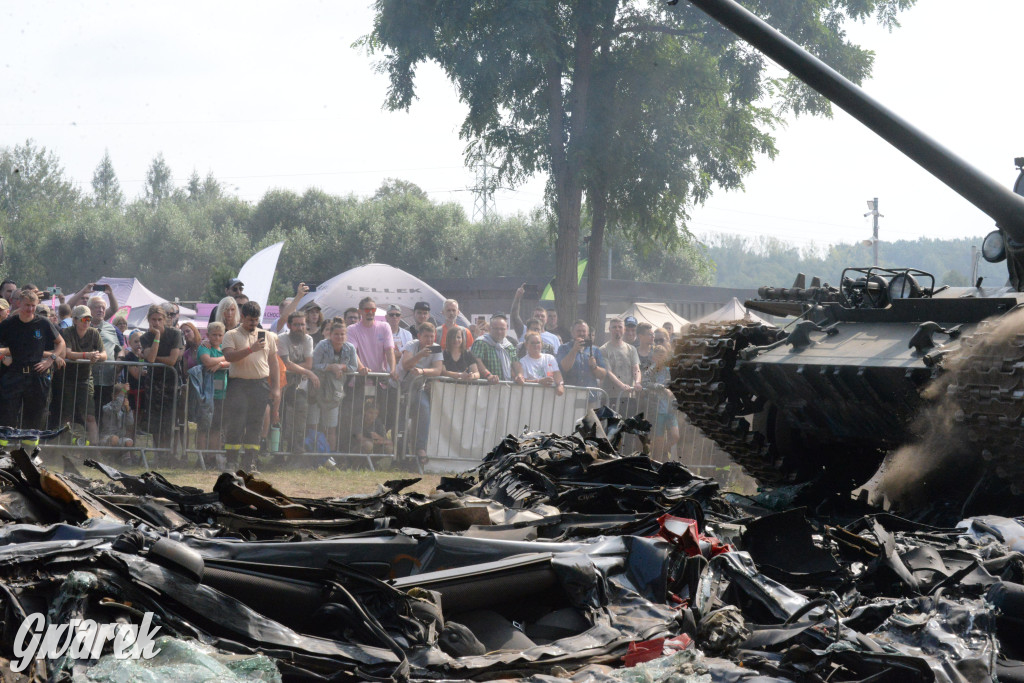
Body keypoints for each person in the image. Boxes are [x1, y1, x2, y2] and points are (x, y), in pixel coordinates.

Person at [221, 301, 280, 470]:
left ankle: (250, 462)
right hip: (238, 385)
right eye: (250, 320)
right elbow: (229, 357)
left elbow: (273, 363)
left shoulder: (266, 335)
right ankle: (231, 461)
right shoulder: (231, 335)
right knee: (236, 423)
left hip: (260, 385)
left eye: (256, 320)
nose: (254, 324)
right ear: (243, 317)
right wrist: (250, 349)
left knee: (256, 424)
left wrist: (276, 388)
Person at [0, 289, 65, 430]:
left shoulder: (43, 323)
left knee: (34, 418)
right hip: (14, 374)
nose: (30, 309)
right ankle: (5, 449)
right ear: (19, 304)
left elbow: (61, 343)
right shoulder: (8, 324)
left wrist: (51, 359)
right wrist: (3, 356)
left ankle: (28, 450)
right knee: (7, 416)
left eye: (33, 305)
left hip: (36, 375)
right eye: (27, 305)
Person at [345, 296, 398, 439]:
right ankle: (355, 450)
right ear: (360, 311)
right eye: (367, 309)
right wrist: (361, 367)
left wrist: (392, 369)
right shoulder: (352, 329)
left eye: (372, 309)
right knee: (357, 415)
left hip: (379, 380)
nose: (370, 312)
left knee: (381, 415)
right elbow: (352, 352)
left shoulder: (384, 326)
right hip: (359, 381)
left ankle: (378, 449)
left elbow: (389, 350)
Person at [54, 305, 106, 444]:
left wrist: (96, 356)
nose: (87, 322)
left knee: (90, 416)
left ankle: (94, 450)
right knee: (66, 416)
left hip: (85, 378)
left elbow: (104, 354)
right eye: (83, 319)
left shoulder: (94, 333)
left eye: (89, 318)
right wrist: (87, 355)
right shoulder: (67, 332)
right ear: (75, 320)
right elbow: (68, 353)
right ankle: (62, 447)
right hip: (68, 379)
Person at [311, 321, 364, 451]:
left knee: (331, 427)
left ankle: (330, 456)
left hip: (335, 391)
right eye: (336, 334)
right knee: (314, 425)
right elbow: (313, 364)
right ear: (330, 334)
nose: (339, 337)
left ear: (346, 335)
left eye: (342, 334)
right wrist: (330, 367)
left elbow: (353, 367)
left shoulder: (349, 347)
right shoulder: (322, 345)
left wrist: (341, 366)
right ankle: (312, 456)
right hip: (317, 388)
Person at [139, 304, 184, 451]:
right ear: (149, 320)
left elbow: (172, 360)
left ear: (164, 319)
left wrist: (154, 357)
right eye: (153, 320)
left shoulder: (175, 334)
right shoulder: (146, 337)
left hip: (171, 383)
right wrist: (157, 336)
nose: (156, 323)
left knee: (169, 421)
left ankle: (169, 452)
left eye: (159, 319)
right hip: (153, 383)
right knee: (155, 422)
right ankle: (159, 452)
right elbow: (151, 360)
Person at [398, 321, 443, 466]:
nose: (429, 340)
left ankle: (420, 448)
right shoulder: (412, 345)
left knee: (424, 409)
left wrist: (422, 371)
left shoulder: (436, 348)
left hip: (418, 387)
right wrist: (420, 355)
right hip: (400, 386)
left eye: (432, 336)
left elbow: (438, 370)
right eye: (426, 337)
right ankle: (399, 453)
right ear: (419, 336)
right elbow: (406, 364)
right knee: (400, 419)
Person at [278, 311, 319, 456]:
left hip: (299, 387)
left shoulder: (308, 339)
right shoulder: (281, 339)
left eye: (302, 324)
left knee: (301, 417)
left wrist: (301, 369)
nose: (300, 327)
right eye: (296, 325)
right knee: (281, 418)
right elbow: (285, 364)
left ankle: (296, 453)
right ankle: (278, 454)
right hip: (281, 385)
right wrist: (307, 372)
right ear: (289, 325)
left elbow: (309, 363)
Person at [88, 294, 122, 428]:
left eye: (103, 307)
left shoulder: (112, 328)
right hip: (87, 378)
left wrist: (120, 359)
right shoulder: (81, 326)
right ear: (89, 309)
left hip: (107, 380)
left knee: (104, 414)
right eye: (97, 307)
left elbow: (120, 348)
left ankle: (103, 443)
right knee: (89, 414)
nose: (101, 310)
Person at [196, 322, 230, 451]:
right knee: (204, 427)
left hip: (221, 394)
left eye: (220, 335)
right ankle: (201, 457)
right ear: (208, 335)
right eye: (214, 335)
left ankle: (212, 456)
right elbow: (207, 361)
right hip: (205, 393)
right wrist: (225, 359)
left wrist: (221, 364)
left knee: (216, 427)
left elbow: (233, 360)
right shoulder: (205, 347)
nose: (216, 338)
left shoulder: (224, 348)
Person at [556, 320, 607, 399]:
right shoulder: (563, 348)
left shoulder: (595, 350)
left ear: (587, 333)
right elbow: (564, 368)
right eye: (578, 331)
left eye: (584, 331)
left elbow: (603, 375)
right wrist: (574, 350)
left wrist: (595, 367)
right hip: (569, 396)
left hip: (590, 397)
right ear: (572, 333)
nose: (581, 333)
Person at [600, 318, 641, 413]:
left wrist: (637, 382)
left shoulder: (631, 349)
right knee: (612, 427)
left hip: (629, 397)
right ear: (609, 329)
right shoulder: (603, 350)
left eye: (620, 327)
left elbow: (636, 368)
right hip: (611, 396)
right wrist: (622, 386)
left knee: (628, 426)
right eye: (614, 327)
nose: (617, 329)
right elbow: (608, 372)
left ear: (624, 329)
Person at [649, 345, 680, 461]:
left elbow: (675, 384)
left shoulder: (669, 371)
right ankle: (657, 462)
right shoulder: (651, 371)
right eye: (658, 356)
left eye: (663, 356)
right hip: (657, 410)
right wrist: (662, 388)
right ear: (653, 357)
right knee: (659, 439)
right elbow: (646, 384)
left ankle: (660, 451)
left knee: (675, 436)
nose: (660, 359)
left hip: (670, 409)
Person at [514, 332, 564, 397]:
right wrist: (539, 382)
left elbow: (558, 376)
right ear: (526, 344)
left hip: (549, 398)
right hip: (530, 397)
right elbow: (523, 381)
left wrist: (560, 385)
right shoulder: (522, 362)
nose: (535, 345)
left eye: (538, 342)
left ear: (542, 344)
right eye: (532, 343)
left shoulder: (550, 358)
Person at [470, 314, 516, 382]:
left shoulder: (509, 346)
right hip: (485, 387)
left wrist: (519, 375)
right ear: (490, 329)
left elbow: (515, 364)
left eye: (502, 329)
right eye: (496, 328)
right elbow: (476, 361)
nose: (499, 331)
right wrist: (488, 375)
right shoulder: (480, 342)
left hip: (505, 387)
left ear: (506, 329)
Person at [99, 383, 135, 451]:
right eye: (119, 396)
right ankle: (108, 457)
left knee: (129, 442)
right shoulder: (107, 407)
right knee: (114, 439)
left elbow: (130, 423)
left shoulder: (124, 409)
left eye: (123, 397)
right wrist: (123, 392)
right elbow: (116, 408)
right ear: (113, 396)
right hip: (106, 438)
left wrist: (128, 410)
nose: (121, 399)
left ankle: (124, 458)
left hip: (120, 437)